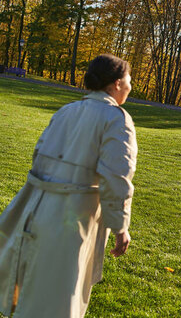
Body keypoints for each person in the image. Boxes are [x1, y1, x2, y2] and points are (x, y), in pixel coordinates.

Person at [0, 54, 137, 318]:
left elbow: (38, 155)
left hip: (34, 210)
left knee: (33, 292)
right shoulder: (116, 119)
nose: (130, 86)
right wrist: (120, 227)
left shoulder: (66, 111)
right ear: (118, 83)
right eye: (129, 80)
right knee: (58, 302)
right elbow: (116, 177)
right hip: (71, 221)